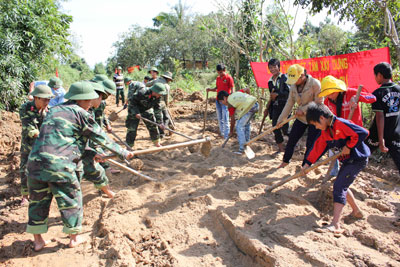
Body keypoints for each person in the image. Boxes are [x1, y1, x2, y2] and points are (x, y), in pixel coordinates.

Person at [26, 81, 135, 251]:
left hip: (35, 163)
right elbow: (101, 138)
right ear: (82, 100)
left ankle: (38, 240)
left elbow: (63, 138)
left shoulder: (54, 110)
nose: (91, 103)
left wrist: (92, 153)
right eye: (89, 100)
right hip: (60, 166)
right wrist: (123, 152)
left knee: (37, 202)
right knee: (71, 199)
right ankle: (74, 238)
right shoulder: (81, 113)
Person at [302, 102, 370, 235]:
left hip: (357, 159)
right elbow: (318, 147)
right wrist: (307, 164)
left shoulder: (341, 124)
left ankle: (336, 225)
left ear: (322, 118)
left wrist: (349, 146)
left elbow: (363, 132)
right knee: (342, 184)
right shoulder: (326, 132)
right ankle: (356, 211)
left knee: (339, 186)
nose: (316, 127)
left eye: (315, 124)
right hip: (347, 161)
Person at [319, 75, 376, 176]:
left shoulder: (350, 93)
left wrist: (357, 98)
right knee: (333, 150)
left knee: (352, 156)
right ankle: (333, 172)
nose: (330, 95)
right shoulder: (327, 102)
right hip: (340, 133)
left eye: (332, 93)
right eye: (328, 94)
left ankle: (347, 175)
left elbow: (373, 98)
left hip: (355, 133)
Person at [276, 64, 322, 168]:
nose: (295, 82)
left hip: (315, 118)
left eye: (296, 79)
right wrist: (281, 120)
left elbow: (319, 102)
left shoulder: (315, 84)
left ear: (302, 76)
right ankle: (285, 161)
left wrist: (304, 110)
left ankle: (305, 165)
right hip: (301, 118)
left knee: (310, 143)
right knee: (292, 139)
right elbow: (289, 103)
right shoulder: (293, 86)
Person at [18, 85, 54, 205]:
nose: (47, 102)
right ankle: (25, 195)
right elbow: (30, 129)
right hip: (29, 145)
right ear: (36, 98)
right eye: (44, 99)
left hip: (44, 145)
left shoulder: (49, 110)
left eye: (49, 100)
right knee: (25, 169)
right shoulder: (25, 108)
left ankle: (44, 192)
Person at [365, 62, 400, 174]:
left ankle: (347, 176)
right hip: (395, 133)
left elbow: (380, 117)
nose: (375, 78)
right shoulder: (398, 89)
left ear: (379, 75)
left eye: (375, 75)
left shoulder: (378, 93)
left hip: (378, 134)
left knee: (362, 152)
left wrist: (381, 140)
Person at [125, 83, 167, 148]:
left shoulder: (158, 97)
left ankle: (156, 143)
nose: (160, 95)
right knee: (132, 129)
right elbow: (131, 103)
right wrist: (136, 112)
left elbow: (157, 110)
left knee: (153, 126)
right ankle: (129, 147)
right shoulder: (142, 92)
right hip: (134, 109)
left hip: (146, 109)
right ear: (154, 91)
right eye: (159, 93)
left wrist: (160, 122)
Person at [264, 58, 290, 152]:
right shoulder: (270, 82)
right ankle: (281, 148)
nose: (272, 69)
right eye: (270, 68)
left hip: (285, 106)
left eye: (274, 67)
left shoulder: (285, 78)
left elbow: (289, 92)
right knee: (275, 126)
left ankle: (292, 145)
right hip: (275, 106)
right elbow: (271, 96)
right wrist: (267, 108)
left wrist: (278, 94)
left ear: (278, 67)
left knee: (285, 128)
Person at [207, 64, 235, 139]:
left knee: (225, 117)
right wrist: (210, 89)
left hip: (225, 101)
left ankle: (226, 135)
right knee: (220, 117)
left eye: (221, 72)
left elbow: (232, 88)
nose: (220, 74)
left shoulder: (229, 78)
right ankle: (222, 133)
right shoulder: (218, 78)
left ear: (224, 70)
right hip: (218, 100)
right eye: (218, 72)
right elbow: (217, 88)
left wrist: (231, 98)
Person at [146, 71, 174, 137]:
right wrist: (166, 105)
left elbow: (147, 84)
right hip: (161, 102)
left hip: (152, 101)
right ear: (168, 79)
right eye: (169, 80)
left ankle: (164, 131)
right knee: (165, 117)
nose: (169, 81)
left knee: (159, 117)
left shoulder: (156, 80)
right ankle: (165, 130)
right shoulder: (167, 86)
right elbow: (166, 98)